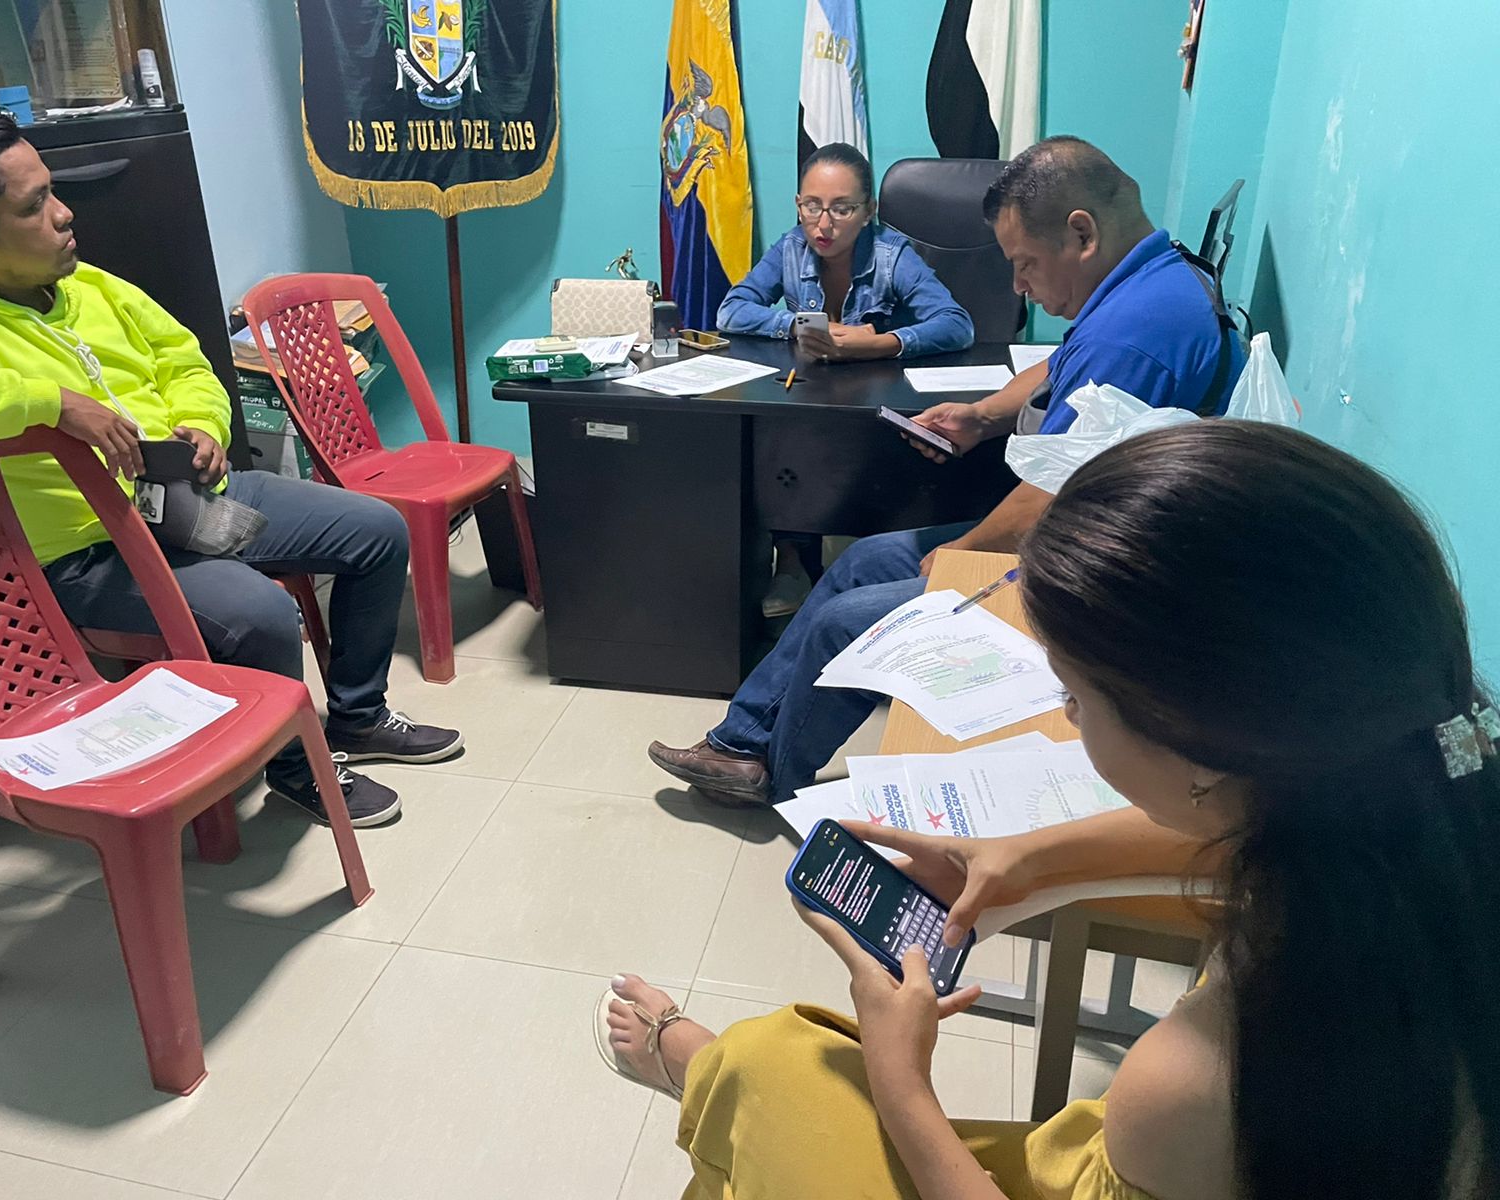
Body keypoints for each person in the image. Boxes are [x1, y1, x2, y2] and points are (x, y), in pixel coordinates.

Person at [603, 420, 1500, 1200]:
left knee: (777, 1064)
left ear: (1201, 748)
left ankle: (692, 1066)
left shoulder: (1197, 1078)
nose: (1066, 718)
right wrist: (1032, 856)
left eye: (1073, 696)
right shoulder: (1414, 791)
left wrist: (903, 1081)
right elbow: (1263, 832)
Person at [0, 110, 460, 828]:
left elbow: (183, 359)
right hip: (88, 551)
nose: (65, 213)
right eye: (35, 204)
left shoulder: (91, 286)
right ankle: (300, 769)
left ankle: (357, 715)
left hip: (187, 499)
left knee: (376, 531)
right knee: (262, 614)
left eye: (53, 191)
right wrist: (49, 404)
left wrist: (203, 422)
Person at [650, 136, 1246, 806]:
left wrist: (963, 553)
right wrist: (983, 416)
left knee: (847, 619)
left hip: (1098, 571)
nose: (1018, 286)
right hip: (1084, 533)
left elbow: (1055, 501)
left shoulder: (1134, 335)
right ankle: (742, 743)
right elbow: (1058, 367)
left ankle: (771, 778)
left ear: (1081, 234)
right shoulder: (1148, 281)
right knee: (865, 559)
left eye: (1024, 263)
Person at [717, 141, 973, 617]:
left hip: (878, 402)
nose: (823, 223)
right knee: (773, 436)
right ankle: (791, 560)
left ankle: (874, 569)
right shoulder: (791, 248)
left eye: (841, 209)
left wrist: (878, 343)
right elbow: (732, 310)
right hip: (813, 397)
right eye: (811, 206)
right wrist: (795, 325)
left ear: (868, 211)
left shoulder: (892, 255)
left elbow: (956, 324)